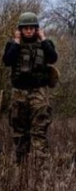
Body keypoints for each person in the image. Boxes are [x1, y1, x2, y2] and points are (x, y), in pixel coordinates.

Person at [2, 12, 58, 163]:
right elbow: (7, 61)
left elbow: (53, 58)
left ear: (36, 29)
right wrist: (16, 42)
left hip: (39, 91)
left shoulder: (45, 44)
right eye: (25, 28)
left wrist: (44, 39)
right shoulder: (13, 45)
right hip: (19, 92)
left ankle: (42, 165)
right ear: (20, 29)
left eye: (32, 28)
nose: (29, 31)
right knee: (19, 130)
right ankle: (22, 166)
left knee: (39, 129)